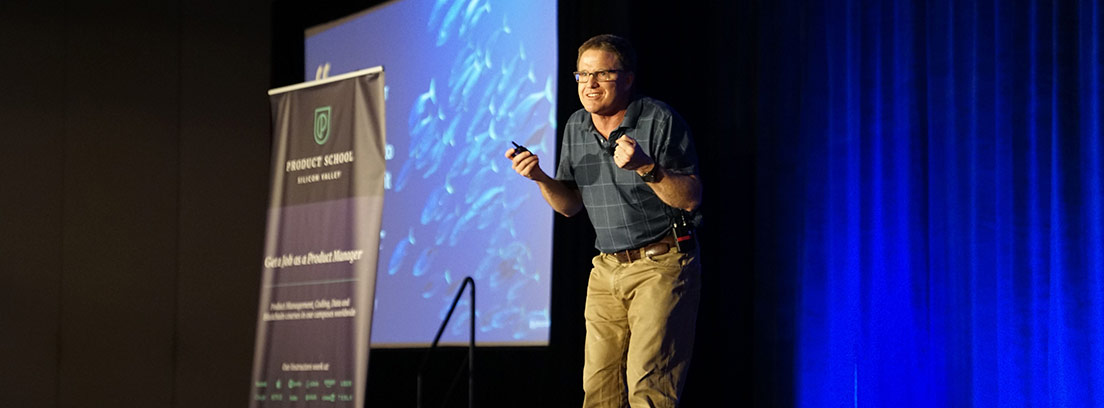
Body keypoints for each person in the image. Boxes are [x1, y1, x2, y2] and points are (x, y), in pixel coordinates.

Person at [505, 34, 702, 408]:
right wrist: (540, 177)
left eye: (602, 74)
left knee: (649, 387)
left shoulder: (658, 119)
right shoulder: (577, 126)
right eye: (582, 75)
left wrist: (646, 167)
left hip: (661, 263)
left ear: (627, 78)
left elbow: (691, 198)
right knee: (598, 389)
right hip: (606, 268)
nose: (590, 85)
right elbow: (569, 207)